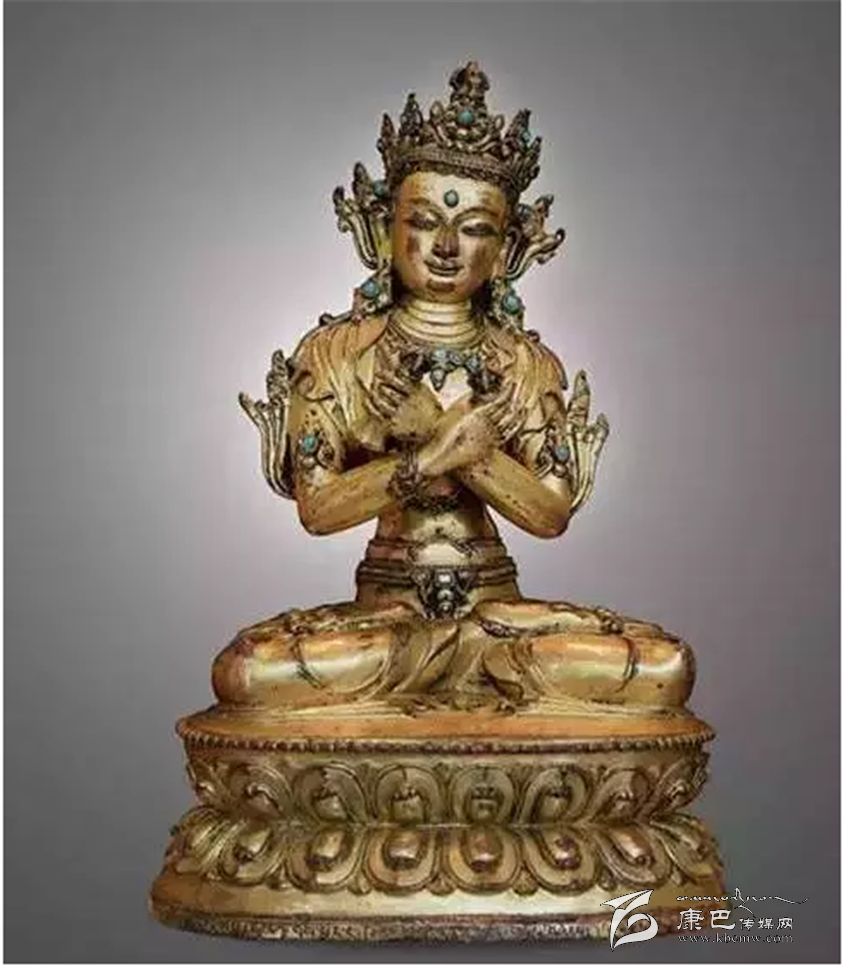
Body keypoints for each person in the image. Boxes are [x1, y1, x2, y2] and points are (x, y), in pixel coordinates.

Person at [217, 62, 693, 714]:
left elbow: (549, 514)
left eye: (474, 228)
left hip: (498, 615)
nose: (445, 246)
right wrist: (435, 455)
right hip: (385, 616)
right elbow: (319, 509)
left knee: (664, 666)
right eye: (423, 221)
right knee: (249, 673)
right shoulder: (335, 355)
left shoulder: (527, 364)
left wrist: (469, 449)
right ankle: (471, 675)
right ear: (384, 229)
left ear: (506, 250)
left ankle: (477, 663)